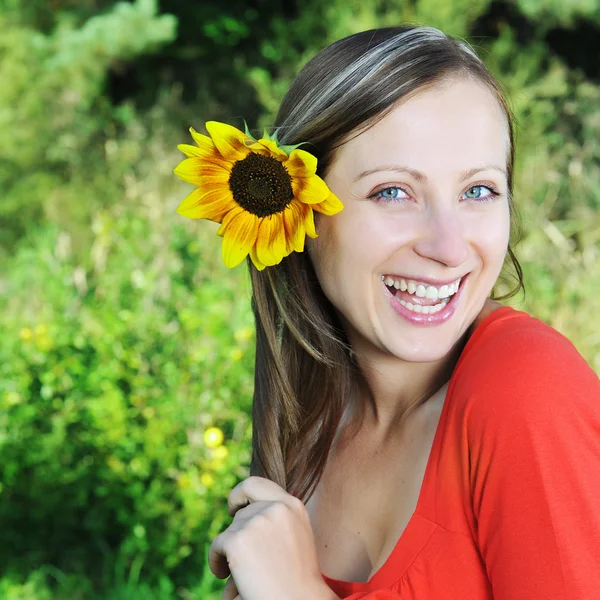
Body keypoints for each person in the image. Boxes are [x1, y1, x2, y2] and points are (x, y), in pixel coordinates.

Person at [175, 26, 600, 600]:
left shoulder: (526, 388)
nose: (449, 246)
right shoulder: (314, 413)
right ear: (301, 212)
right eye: (393, 192)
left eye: (478, 191)